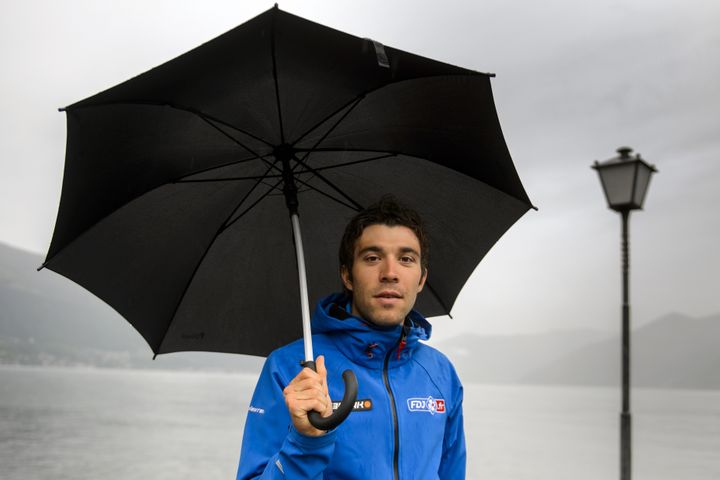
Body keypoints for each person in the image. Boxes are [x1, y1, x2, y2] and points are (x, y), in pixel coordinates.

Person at [236, 196, 466, 479]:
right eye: (372, 258)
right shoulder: (288, 369)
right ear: (347, 275)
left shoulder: (441, 373)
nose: (390, 273)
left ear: (421, 278)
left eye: (406, 259)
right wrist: (305, 442)